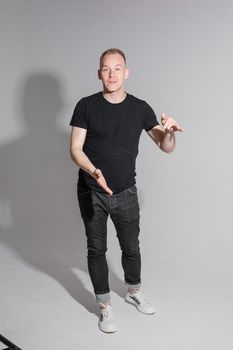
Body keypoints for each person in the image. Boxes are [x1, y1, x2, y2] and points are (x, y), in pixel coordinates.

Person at [69, 48, 184, 333]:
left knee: (131, 248)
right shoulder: (86, 106)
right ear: (99, 73)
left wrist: (169, 132)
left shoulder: (140, 108)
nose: (111, 74)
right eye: (106, 69)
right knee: (97, 249)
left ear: (126, 72)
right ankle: (105, 306)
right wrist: (93, 171)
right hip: (92, 190)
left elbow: (165, 147)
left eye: (117, 68)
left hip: (126, 192)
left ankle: (133, 291)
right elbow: (75, 149)